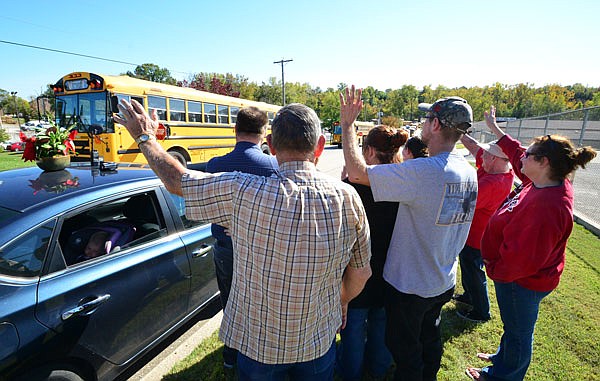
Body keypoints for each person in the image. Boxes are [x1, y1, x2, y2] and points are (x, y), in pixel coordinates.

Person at [115, 100, 372, 381]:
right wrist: (341, 301)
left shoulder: (242, 191)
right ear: (320, 146)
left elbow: (178, 180)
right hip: (316, 342)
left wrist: (145, 138)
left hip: (258, 346)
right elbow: (361, 272)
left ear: (271, 146)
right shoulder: (348, 198)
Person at [340, 87, 478, 381]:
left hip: (411, 286)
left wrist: (348, 125)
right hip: (442, 280)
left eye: (428, 118)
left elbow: (355, 173)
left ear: (436, 125)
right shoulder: (466, 169)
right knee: (430, 341)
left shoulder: (426, 171)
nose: (423, 124)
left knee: (405, 352)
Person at [465, 106, 597, 381]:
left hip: (522, 282)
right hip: (517, 279)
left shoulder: (549, 206)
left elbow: (521, 262)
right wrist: (497, 131)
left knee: (519, 332)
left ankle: (503, 376)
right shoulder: (541, 181)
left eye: (529, 154)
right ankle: (503, 357)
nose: (520, 156)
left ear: (544, 161)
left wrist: (494, 268)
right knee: (514, 326)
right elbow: (514, 153)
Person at [205, 106, 278, 370]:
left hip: (225, 248)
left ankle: (231, 354)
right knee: (262, 301)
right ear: (264, 132)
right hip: (261, 249)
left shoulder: (215, 165)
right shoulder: (274, 167)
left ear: (235, 130)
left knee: (230, 301)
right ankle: (259, 352)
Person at [337, 126, 408, 381]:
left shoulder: (350, 188)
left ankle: (351, 373)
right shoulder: (404, 184)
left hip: (356, 271)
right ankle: (378, 370)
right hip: (391, 271)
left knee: (353, 328)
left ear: (368, 151)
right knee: (382, 325)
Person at [454, 134, 514, 323]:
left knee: (474, 271)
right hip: (475, 234)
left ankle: (481, 311)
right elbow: (473, 147)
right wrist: (459, 130)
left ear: (495, 159)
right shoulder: (497, 169)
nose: (481, 156)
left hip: (477, 238)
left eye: (486, 155)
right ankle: (469, 296)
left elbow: (462, 205)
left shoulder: (492, 184)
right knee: (468, 267)